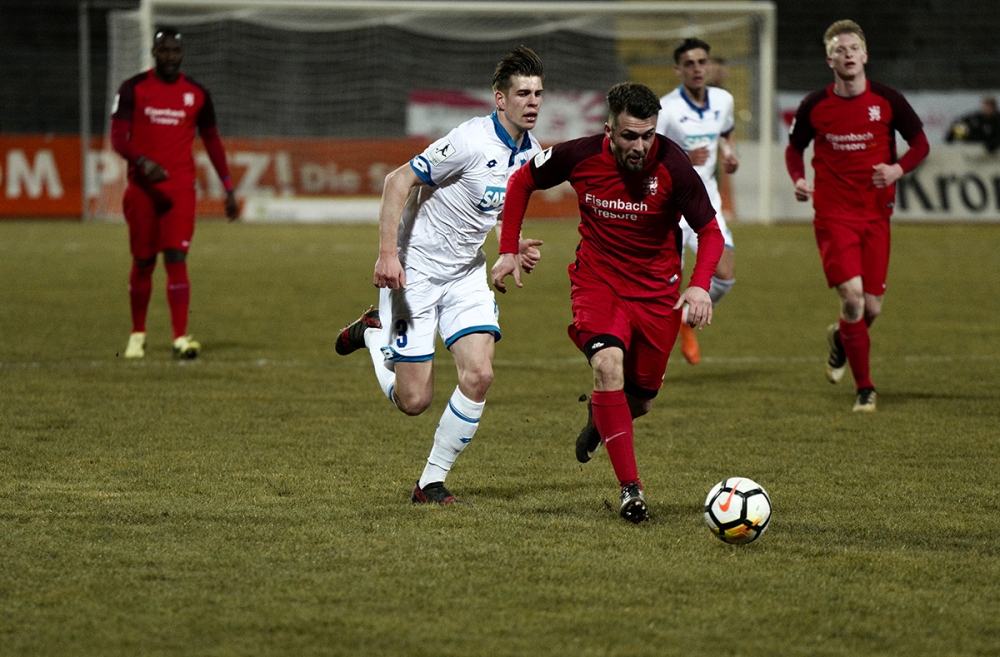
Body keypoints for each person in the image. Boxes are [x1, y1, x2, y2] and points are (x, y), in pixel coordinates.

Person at [492, 82, 723, 524]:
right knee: (606, 366)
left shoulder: (673, 165)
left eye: (648, 135)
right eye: (629, 136)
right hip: (598, 283)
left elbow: (709, 231)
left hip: (656, 295)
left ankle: (599, 421)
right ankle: (630, 489)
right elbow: (522, 181)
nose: (640, 146)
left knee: (640, 402)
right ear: (609, 131)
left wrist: (699, 285)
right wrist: (507, 248)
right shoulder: (578, 155)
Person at [334, 46, 545, 506]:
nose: (532, 102)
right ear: (500, 99)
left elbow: (494, 207)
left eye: (537, 94)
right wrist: (387, 256)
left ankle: (429, 482)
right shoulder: (468, 141)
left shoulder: (531, 153)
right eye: (522, 94)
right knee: (414, 401)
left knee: (480, 375)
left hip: (466, 274)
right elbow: (397, 181)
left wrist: (511, 245)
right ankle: (373, 332)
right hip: (415, 274)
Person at [785, 20, 929, 412]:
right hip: (833, 214)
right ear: (829, 60)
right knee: (853, 300)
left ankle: (842, 338)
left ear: (864, 55)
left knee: (872, 308)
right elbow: (794, 149)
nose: (847, 54)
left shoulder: (888, 100)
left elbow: (920, 144)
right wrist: (798, 179)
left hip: (876, 214)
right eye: (839, 49)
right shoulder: (814, 105)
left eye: (853, 48)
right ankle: (865, 388)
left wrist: (897, 169)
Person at [111, 26, 239, 360]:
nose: (170, 56)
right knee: (143, 262)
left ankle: (180, 338)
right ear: (154, 52)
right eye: (164, 50)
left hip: (180, 190)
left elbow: (212, 141)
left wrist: (228, 187)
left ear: (181, 54)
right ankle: (137, 334)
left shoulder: (197, 94)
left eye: (175, 51)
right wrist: (143, 162)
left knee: (176, 259)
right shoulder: (133, 88)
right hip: (143, 190)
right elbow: (118, 138)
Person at [656, 38, 739, 365]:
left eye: (702, 62)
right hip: (670, 208)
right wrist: (684, 159)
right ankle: (651, 356)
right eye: (689, 63)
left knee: (725, 275)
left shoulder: (723, 100)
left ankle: (686, 321)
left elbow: (726, 131)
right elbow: (648, 153)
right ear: (678, 69)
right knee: (666, 286)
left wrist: (730, 154)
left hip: (706, 204)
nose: (697, 69)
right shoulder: (666, 109)